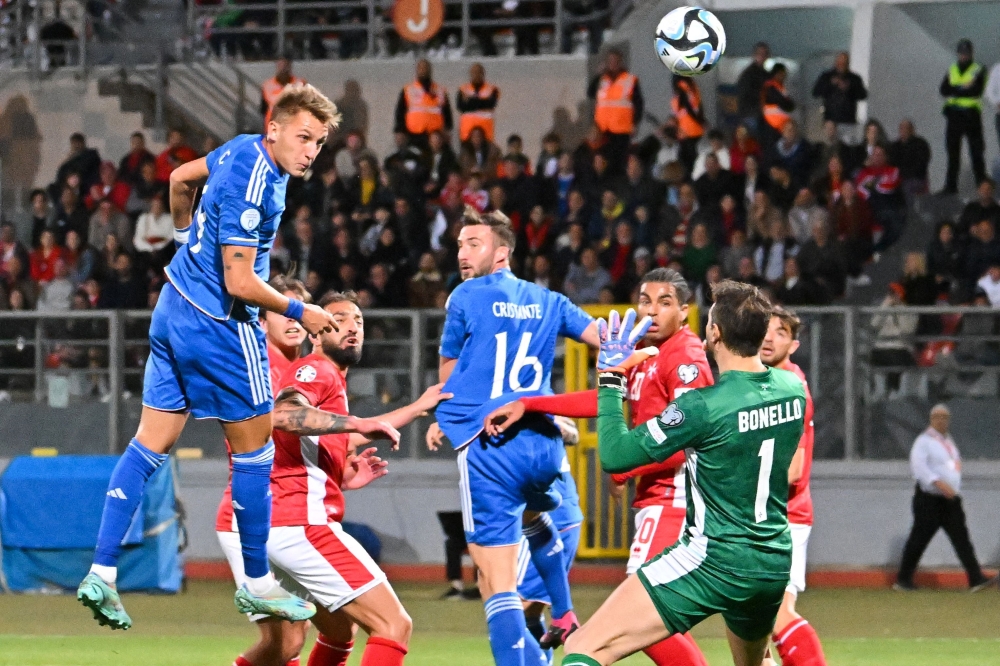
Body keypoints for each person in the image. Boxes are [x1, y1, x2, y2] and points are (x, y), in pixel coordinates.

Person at [75, 84, 399, 630]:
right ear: (275, 128)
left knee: (149, 444)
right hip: (220, 324)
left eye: (318, 143)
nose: (311, 152)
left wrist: (185, 241)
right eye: (303, 138)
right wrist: (306, 309)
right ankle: (256, 584)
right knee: (256, 451)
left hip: (172, 307)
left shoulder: (239, 147)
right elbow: (240, 280)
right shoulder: (259, 187)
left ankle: (101, 572)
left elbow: (179, 180)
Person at [560, 280, 806, 666]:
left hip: (713, 558)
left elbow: (615, 455)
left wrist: (610, 378)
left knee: (582, 647)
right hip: (772, 562)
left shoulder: (701, 407)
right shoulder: (793, 389)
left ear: (715, 332)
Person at [485, 268, 714, 666]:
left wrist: (627, 468)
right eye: (645, 301)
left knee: (641, 613)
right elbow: (604, 400)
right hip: (660, 501)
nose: (653, 311)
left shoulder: (685, 358)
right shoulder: (646, 352)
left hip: (678, 499)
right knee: (653, 618)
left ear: (684, 310)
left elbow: (693, 438)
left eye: (665, 303)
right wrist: (533, 404)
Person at [221, 288, 449, 666]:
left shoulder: (332, 381)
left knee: (332, 633)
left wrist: (341, 475)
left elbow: (326, 436)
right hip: (300, 524)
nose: (352, 326)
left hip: (278, 525)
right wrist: (358, 422)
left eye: (358, 320)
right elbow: (283, 414)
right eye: (339, 319)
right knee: (393, 625)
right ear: (316, 332)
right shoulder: (315, 370)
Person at [430, 207, 599, 663]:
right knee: (535, 519)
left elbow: (449, 376)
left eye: (473, 244)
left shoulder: (465, 297)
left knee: (493, 580)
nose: (463, 255)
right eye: (460, 245)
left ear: (500, 252)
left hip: (492, 445)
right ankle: (563, 612)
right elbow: (604, 340)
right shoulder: (549, 300)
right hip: (543, 447)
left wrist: (443, 413)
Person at [759, 307, 828, 666]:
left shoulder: (789, 388)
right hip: (763, 517)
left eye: (780, 333)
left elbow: (793, 471)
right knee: (752, 621)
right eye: (765, 330)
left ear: (794, 344)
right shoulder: (764, 382)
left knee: (774, 615)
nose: (769, 338)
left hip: (783, 518)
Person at [895, 404, 997, 592]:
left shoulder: (948, 441)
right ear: (931, 419)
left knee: (962, 539)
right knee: (919, 539)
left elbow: (952, 464)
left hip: (949, 500)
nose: (942, 421)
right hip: (929, 499)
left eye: (945, 417)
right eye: (938, 417)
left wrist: (954, 484)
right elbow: (920, 469)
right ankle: (903, 579)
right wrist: (940, 484)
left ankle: (976, 578)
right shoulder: (923, 441)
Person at [515, 416, 584, 663]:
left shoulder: (527, 407)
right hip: (566, 516)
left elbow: (572, 434)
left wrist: (553, 425)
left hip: (549, 520)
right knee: (532, 613)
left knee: (511, 611)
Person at [939, 39, 987, 195]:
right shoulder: (952, 68)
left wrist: (955, 89)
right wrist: (962, 87)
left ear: (971, 53)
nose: (963, 56)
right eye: (961, 52)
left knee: (976, 153)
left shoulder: (979, 69)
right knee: (953, 154)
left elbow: (976, 91)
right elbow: (943, 89)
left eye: (966, 53)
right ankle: (950, 187)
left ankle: (982, 186)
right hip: (954, 115)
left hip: (971, 115)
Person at [588, 49, 644, 175]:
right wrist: (597, 75)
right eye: (610, 61)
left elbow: (639, 103)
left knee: (619, 161)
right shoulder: (602, 79)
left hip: (621, 129)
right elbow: (590, 93)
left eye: (615, 61)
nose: (613, 64)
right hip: (602, 129)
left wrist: (635, 122)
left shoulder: (630, 80)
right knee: (602, 160)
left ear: (620, 62)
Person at [394, 59, 453, 149]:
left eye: (426, 68)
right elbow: (400, 111)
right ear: (417, 70)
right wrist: (400, 130)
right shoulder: (408, 89)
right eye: (421, 68)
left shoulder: (440, 90)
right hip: (414, 135)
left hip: (436, 136)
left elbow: (447, 111)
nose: (423, 70)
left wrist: (448, 128)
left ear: (430, 70)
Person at [811, 52, 868, 143]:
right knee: (830, 146)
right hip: (830, 121)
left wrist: (849, 88)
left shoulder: (854, 79)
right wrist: (830, 84)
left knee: (847, 147)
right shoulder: (826, 77)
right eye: (840, 63)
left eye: (844, 63)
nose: (841, 65)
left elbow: (863, 95)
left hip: (848, 121)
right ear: (836, 63)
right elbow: (815, 92)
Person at [456, 63, 500, 143]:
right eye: (474, 72)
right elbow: (461, 107)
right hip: (467, 133)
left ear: (483, 74)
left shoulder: (492, 89)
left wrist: (470, 101)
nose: (476, 75)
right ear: (470, 74)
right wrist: (482, 102)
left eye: (479, 72)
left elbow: (491, 104)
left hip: (486, 133)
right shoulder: (463, 89)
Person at [889, 120, 932, 199]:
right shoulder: (894, 146)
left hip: (915, 178)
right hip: (897, 177)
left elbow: (921, 163)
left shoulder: (920, 144)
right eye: (902, 128)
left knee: (907, 187)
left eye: (907, 128)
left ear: (912, 130)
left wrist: (906, 174)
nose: (904, 131)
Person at [671, 74, 704, 176]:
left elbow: (687, 106)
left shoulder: (683, 85)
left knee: (686, 161)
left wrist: (699, 120)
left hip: (688, 131)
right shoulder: (692, 86)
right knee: (689, 158)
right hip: (691, 130)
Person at [260, 56, 306, 128]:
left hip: (293, 127)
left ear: (290, 66)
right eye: (280, 65)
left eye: (285, 65)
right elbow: (263, 110)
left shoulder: (300, 84)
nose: (283, 68)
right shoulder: (267, 85)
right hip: (273, 128)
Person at [736, 42, 771, 136]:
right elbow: (744, 95)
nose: (762, 56)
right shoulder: (748, 74)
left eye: (765, 54)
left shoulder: (766, 74)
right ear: (754, 55)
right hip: (751, 115)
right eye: (760, 54)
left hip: (762, 115)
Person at [761, 63, 795, 146]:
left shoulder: (779, 87)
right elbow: (786, 104)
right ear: (777, 74)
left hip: (779, 126)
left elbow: (790, 104)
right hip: (772, 126)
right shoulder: (771, 87)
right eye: (783, 74)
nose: (784, 77)